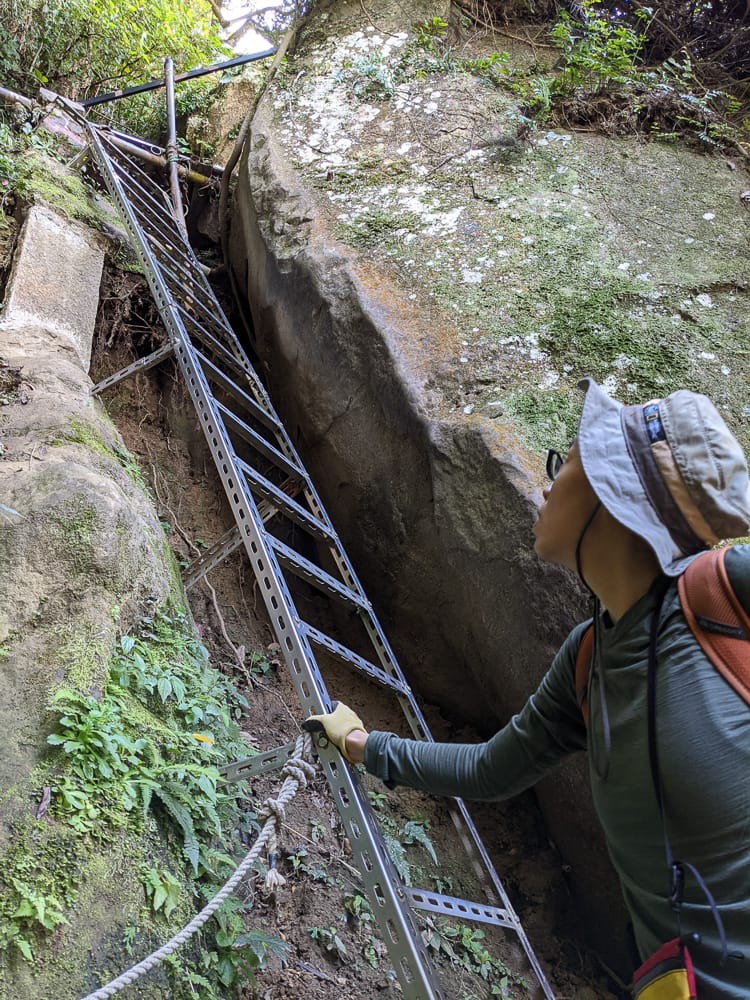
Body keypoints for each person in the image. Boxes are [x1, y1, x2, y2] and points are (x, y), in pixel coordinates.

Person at [305, 377, 750, 999]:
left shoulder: (726, 597)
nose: (546, 482)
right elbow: (492, 769)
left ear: (614, 494)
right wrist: (362, 745)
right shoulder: (587, 659)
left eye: (565, 462)